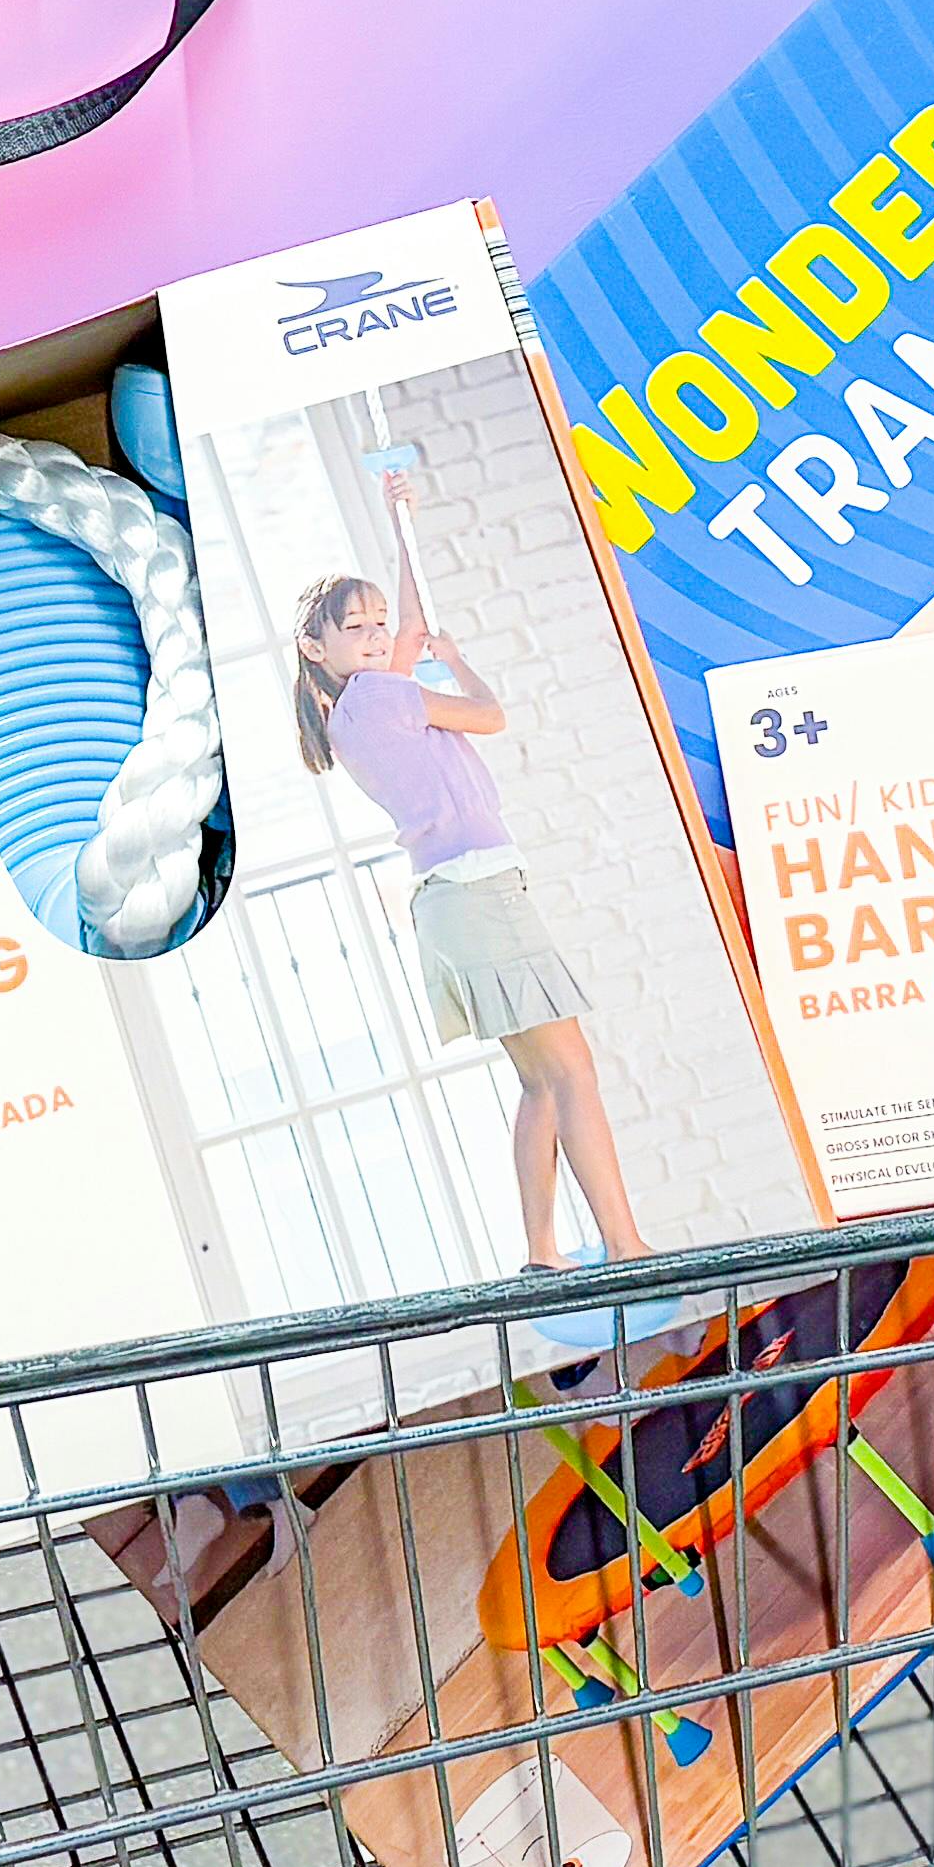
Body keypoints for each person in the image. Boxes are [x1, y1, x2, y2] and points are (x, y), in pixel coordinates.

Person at [296, 474, 641, 1273]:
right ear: (316, 648)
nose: (376, 637)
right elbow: (489, 716)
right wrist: (459, 664)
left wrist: (398, 523)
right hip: (480, 890)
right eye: (355, 628)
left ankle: (543, 1252)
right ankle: (626, 1246)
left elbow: (412, 624)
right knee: (573, 1072)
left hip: (450, 903)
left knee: (540, 1084)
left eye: (377, 625)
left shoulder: (354, 712)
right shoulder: (382, 696)